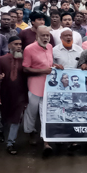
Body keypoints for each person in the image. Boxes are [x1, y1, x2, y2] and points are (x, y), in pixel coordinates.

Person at [23, 26, 55, 156]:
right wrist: (43, 71)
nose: (46, 38)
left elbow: (48, 65)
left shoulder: (50, 47)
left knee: (45, 114)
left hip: (48, 86)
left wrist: (55, 66)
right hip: (34, 85)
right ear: (37, 36)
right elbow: (25, 68)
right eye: (43, 35)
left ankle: (46, 141)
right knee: (31, 112)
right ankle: (30, 132)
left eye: (47, 35)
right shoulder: (29, 49)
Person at [0, 35, 29, 154]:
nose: (18, 47)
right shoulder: (2, 60)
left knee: (16, 119)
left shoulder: (25, 60)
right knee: (5, 117)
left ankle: (10, 143)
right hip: (5, 94)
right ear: (9, 45)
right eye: (16, 44)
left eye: (20, 44)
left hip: (20, 95)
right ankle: (0, 129)